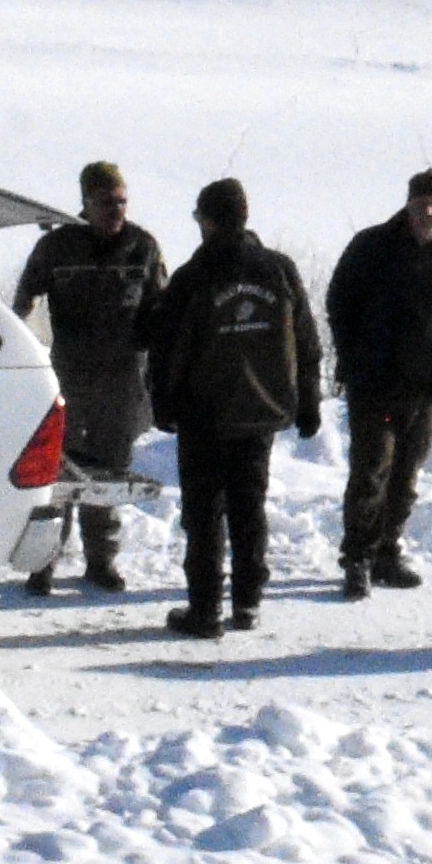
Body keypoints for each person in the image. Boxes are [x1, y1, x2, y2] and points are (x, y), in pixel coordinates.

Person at [143, 177, 320, 637]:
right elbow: (306, 341)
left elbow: (166, 347)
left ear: (207, 220)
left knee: (204, 515)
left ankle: (204, 611)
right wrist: (308, 401)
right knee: (249, 508)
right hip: (262, 411)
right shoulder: (279, 269)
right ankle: (248, 603)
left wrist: (162, 403)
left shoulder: (192, 277)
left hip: (205, 416)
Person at [322, 168, 432, 598]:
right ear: (408, 204)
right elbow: (339, 301)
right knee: (370, 473)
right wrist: (355, 358)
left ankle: (387, 554)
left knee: (406, 478)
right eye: (421, 204)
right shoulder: (373, 246)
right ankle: (357, 557)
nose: (428, 212)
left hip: (425, 390)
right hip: (374, 386)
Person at [7, 162, 168, 594]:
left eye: (120, 201)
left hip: (122, 386)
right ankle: (42, 564)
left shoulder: (143, 248)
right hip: (69, 381)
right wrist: (14, 348)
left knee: (107, 480)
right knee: (56, 480)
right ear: (85, 204)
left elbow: (163, 312)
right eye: (104, 202)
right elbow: (24, 300)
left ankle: (102, 562)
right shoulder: (57, 247)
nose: (114, 210)